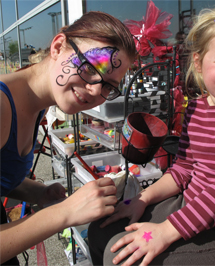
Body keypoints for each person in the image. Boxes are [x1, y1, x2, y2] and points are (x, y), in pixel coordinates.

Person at [88, 4, 215, 266]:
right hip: (190, 208)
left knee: (122, 256)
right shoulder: (197, 107)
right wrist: (141, 200)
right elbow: (184, 169)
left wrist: (165, 232)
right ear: (199, 63)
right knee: (101, 229)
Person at [0, 11, 136, 265]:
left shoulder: (36, 102)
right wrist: (65, 212)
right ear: (58, 47)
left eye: (109, 85)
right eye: (90, 67)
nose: (96, 89)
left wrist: (39, 193)